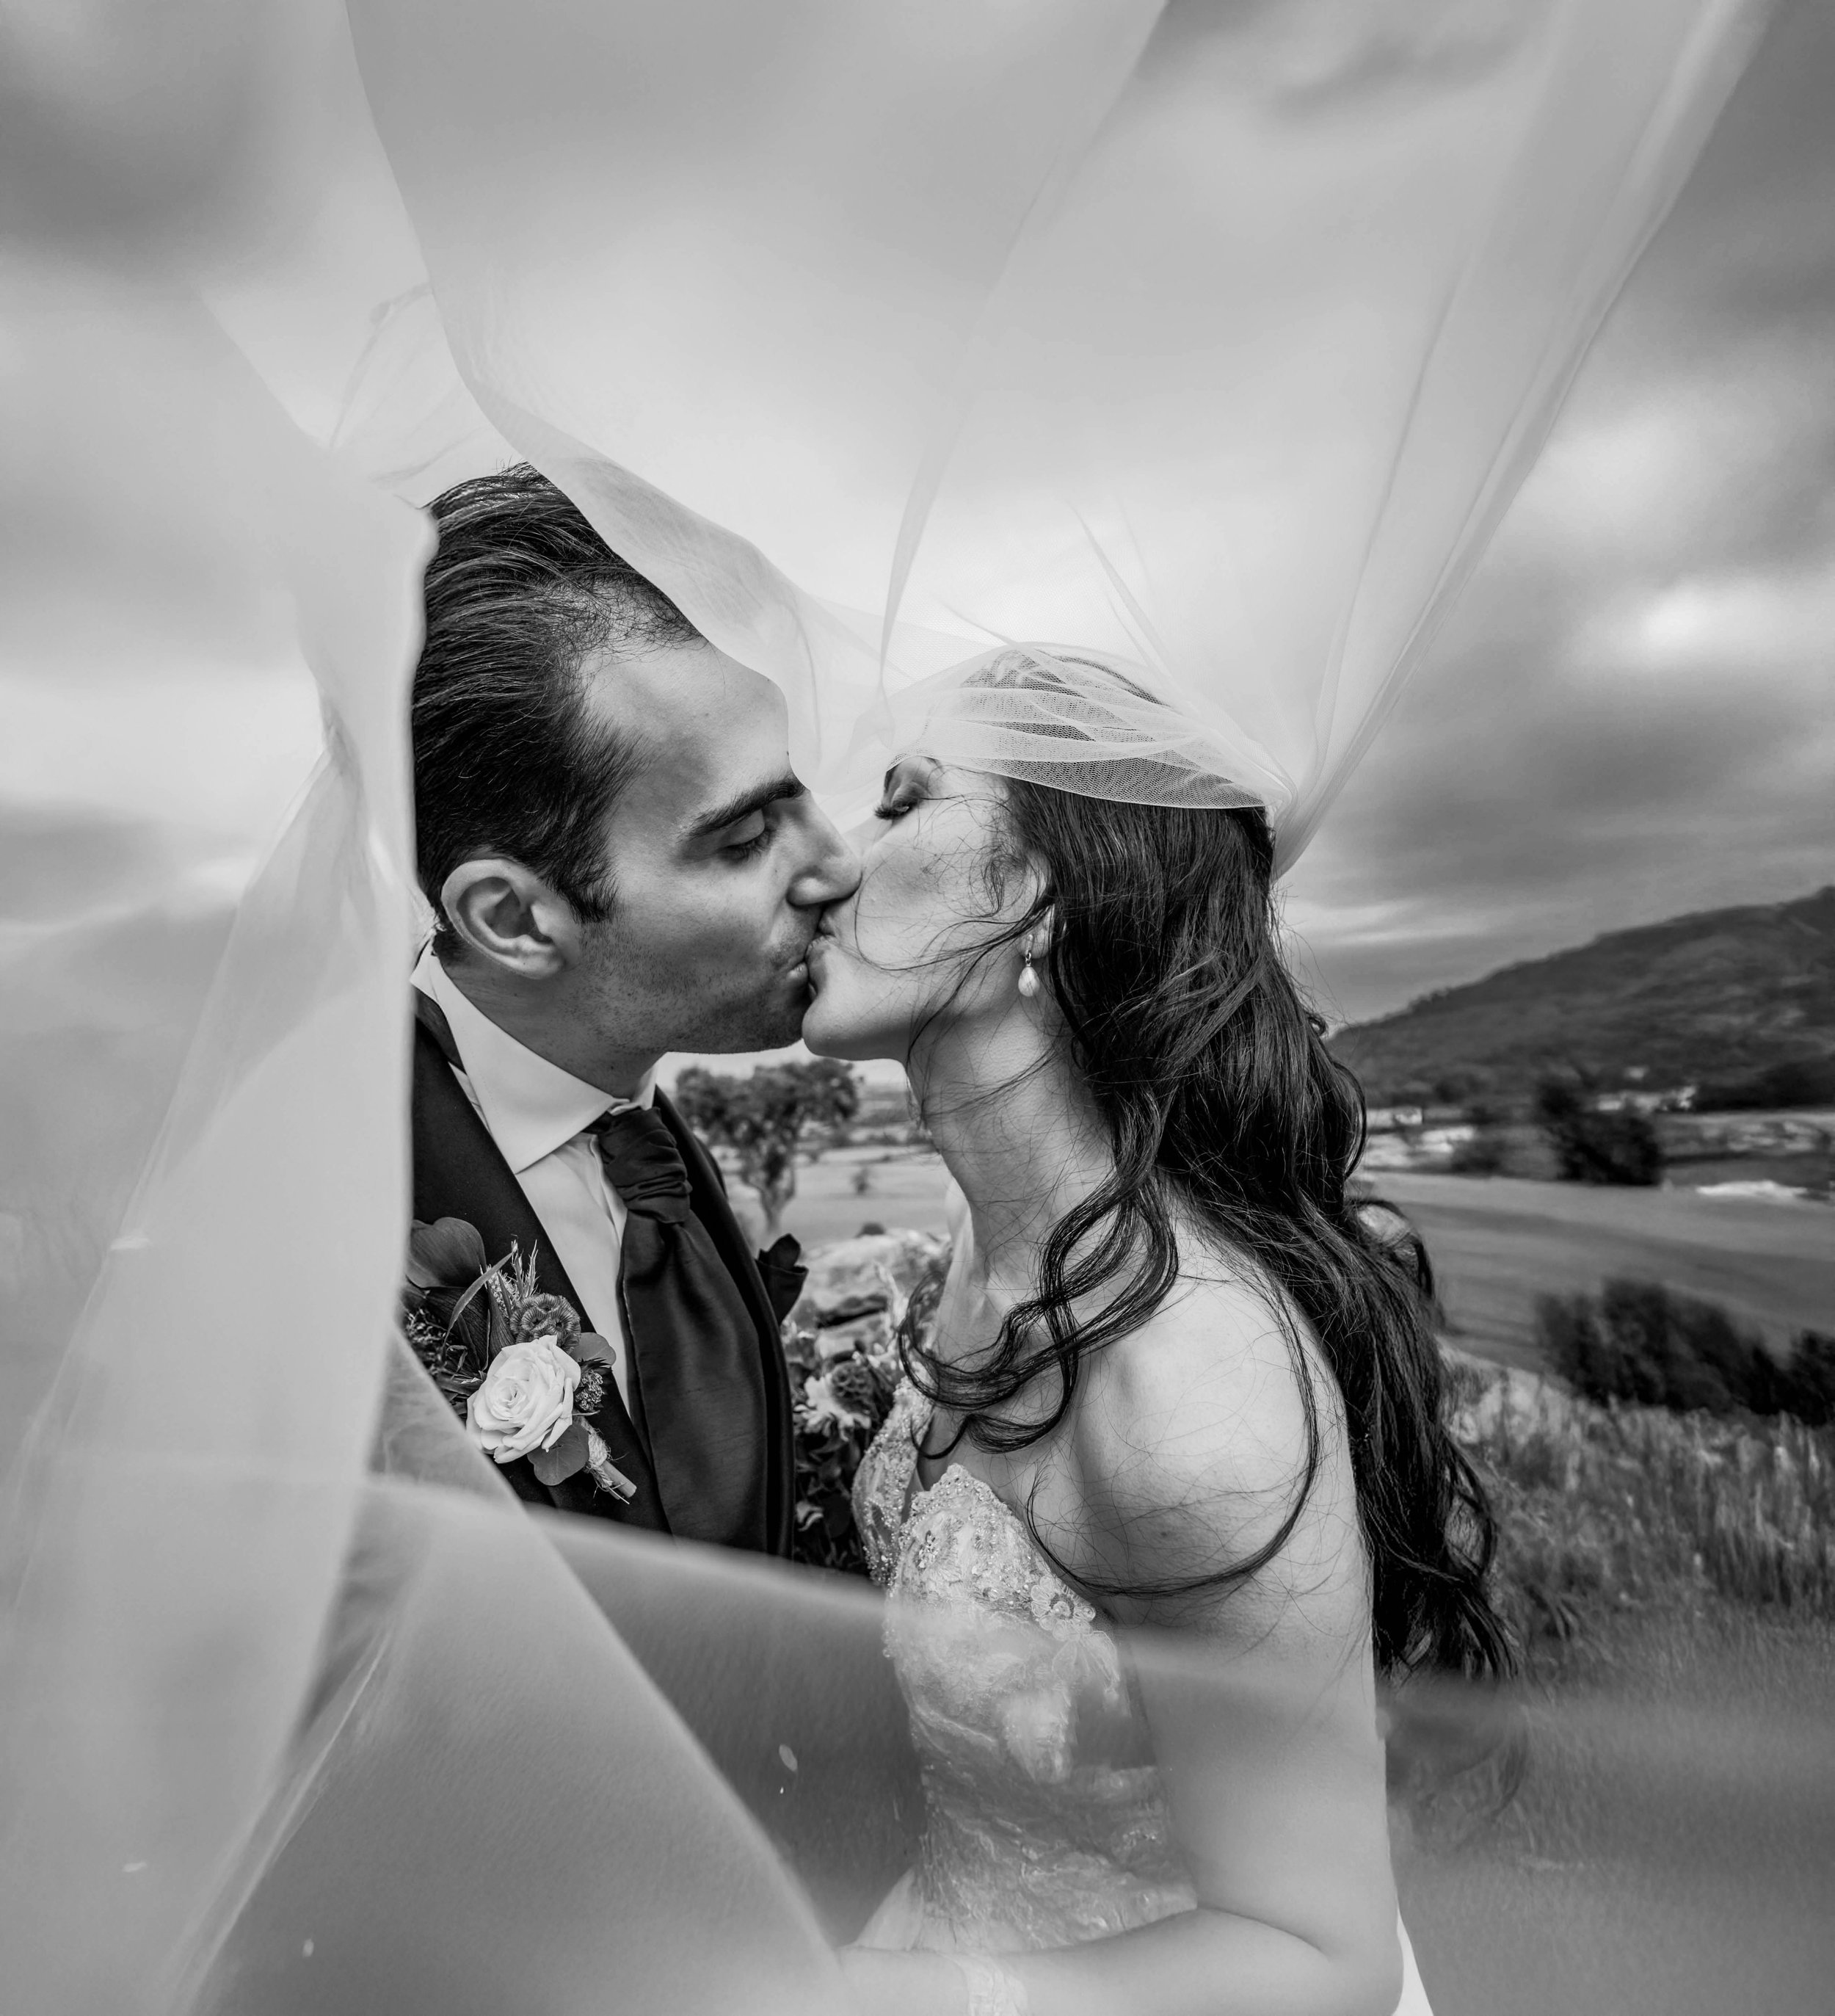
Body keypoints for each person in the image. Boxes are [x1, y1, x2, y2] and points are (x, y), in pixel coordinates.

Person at [793, 653, 1516, 2015]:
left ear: (1036, 897)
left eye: (900, 805)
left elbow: (1323, 1958)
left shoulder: (1188, 1384)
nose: (830, 859)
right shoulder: (990, 1256)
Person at [405, 463, 860, 1548]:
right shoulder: (318, 1216)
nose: (837, 862)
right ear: (515, 920)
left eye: (804, 789)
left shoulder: (647, 1149)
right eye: (745, 838)